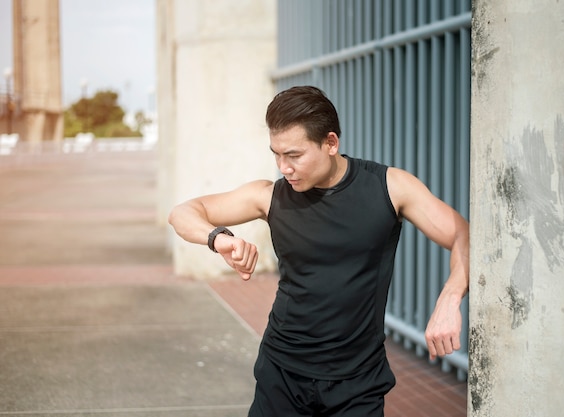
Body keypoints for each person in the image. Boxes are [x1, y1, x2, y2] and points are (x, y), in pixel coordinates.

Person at [168, 85, 469, 417]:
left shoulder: (389, 187)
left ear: (330, 143)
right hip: (281, 373)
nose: (284, 167)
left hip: (356, 383)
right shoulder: (269, 197)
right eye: (276, 154)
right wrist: (219, 238)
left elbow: (463, 235)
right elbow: (182, 213)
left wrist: (450, 297)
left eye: (294, 155)